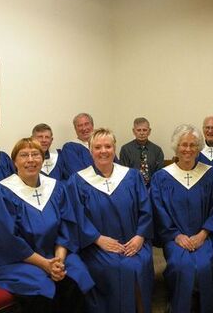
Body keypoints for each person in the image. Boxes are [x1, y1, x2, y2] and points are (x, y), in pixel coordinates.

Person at [0, 138, 94, 313]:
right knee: (42, 287)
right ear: (14, 162)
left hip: (55, 254)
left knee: (76, 275)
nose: (31, 160)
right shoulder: (2, 192)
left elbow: (67, 226)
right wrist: (45, 264)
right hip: (18, 260)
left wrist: (59, 259)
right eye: (24, 155)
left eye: (35, 154)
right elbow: (8, 239)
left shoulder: (56, 188)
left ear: (42, 159)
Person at [150, 124, 213, 313]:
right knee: (180, 264)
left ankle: (205, 307)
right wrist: (176, 236)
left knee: (204, 265)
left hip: (204, 235)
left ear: (198, 148)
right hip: (175, 238)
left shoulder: (211, 174)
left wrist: (203, 234)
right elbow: (158, 211)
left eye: (192, 145)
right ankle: (179, 305)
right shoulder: (161, 178)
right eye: (183, 145)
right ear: (176, 147)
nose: (188, 149)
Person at [67, 128, 154, 313]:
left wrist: (140, 237)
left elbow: (145, 209)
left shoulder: (132, 176)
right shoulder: (78, 181)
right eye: (97, 147)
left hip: (134, 241)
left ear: (114, 149)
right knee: (115, 267)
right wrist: (98, 239)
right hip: (96, 245)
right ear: (90, 151)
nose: (103, 151)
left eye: (108, 146)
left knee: (139, 264)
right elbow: (76, 217)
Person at [119, 117, 164, 187]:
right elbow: (123, 173)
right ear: (134, 131)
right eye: (139, 130)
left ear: (149, 131)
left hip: (152, 188)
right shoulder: (126, 149)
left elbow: (159, 174)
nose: (142, 133)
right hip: (132, 187)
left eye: (145, 130)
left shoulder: (157, 150)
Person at [62, 113, 94, 178]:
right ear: (75, 129)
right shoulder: (69, 148)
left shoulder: (103, 145)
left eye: (87, 124)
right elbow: (77, 174)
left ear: (92, 125)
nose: (84, 128)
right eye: (80, 125)